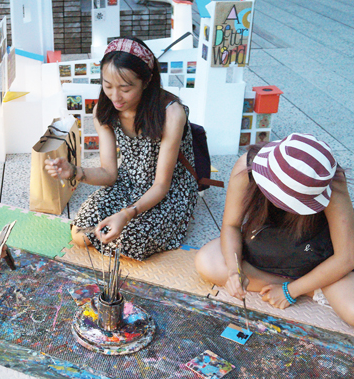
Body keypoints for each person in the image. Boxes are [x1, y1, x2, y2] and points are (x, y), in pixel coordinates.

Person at [46, 37, 198, 260]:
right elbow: (109, 174)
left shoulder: (172, 113)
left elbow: (161, 185)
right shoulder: (104, 110)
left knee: (124, 242)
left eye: (125, 88)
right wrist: (74, 171)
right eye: (108, 86)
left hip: (168, 191)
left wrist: (126, 214)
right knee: (81, 234)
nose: (115, 97)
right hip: (128, 182)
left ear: (146, 82)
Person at [195, 133, 354, 325]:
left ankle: (310, 286)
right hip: (261, 251)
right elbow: (231, 225)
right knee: (207, 262)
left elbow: (346, 257)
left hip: (316, 258)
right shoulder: (248, 166)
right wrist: (234, 271)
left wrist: (291, 291)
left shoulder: (329, 181)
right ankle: (312, 288)